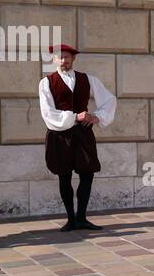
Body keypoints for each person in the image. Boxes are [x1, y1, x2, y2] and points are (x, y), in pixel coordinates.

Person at [39, 43, 117, 231]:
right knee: (64, 176)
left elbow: (109, 100)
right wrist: (74, 116)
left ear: (74, 59)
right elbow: (48, 113)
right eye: (59, 57)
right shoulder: (46, 83)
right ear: (54, 59)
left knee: (87, 174)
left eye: (66, 57)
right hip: (60, 135)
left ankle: (81, 217)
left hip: (82, 133)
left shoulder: (88, 79)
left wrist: (97, 117)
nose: (63, 60)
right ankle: (70, 219)